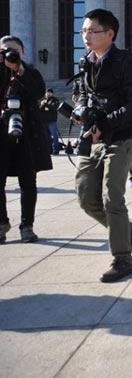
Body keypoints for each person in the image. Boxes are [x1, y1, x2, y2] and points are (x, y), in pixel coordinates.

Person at [73, 9, 132, 282]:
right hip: (93, 138)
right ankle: (127, 229)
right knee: (85, 197)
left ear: (110, 34)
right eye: (83, 31)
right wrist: (80, 108)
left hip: (121, 138)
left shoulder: (126, 62)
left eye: (92, 31)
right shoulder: (86, 62)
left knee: (112, 198)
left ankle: (123, 259)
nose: (86, 36)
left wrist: (106, 123)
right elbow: (82, 92)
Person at [0, 36, 52, 244]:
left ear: (22, 52)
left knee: (28, 183)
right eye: (4, 51)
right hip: (1, 134)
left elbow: (38, 92)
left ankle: (27, 226)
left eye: (13, 50)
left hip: (27, 135)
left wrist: (19, 70)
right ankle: (1, 223)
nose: (9, 54)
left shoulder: (31, 72)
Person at [40, 88, 61, 155]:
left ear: (52, 93)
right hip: (44, 121)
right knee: (47, 137)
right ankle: (49, 150)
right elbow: (40, 109)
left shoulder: (55, 100)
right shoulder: (44, 100)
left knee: (54, 136)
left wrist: (45, 105)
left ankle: (56, 150)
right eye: (47, 92)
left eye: (49, 92)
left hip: (52, 121)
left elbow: (54, 107)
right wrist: (43, 105)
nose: (47, 94)